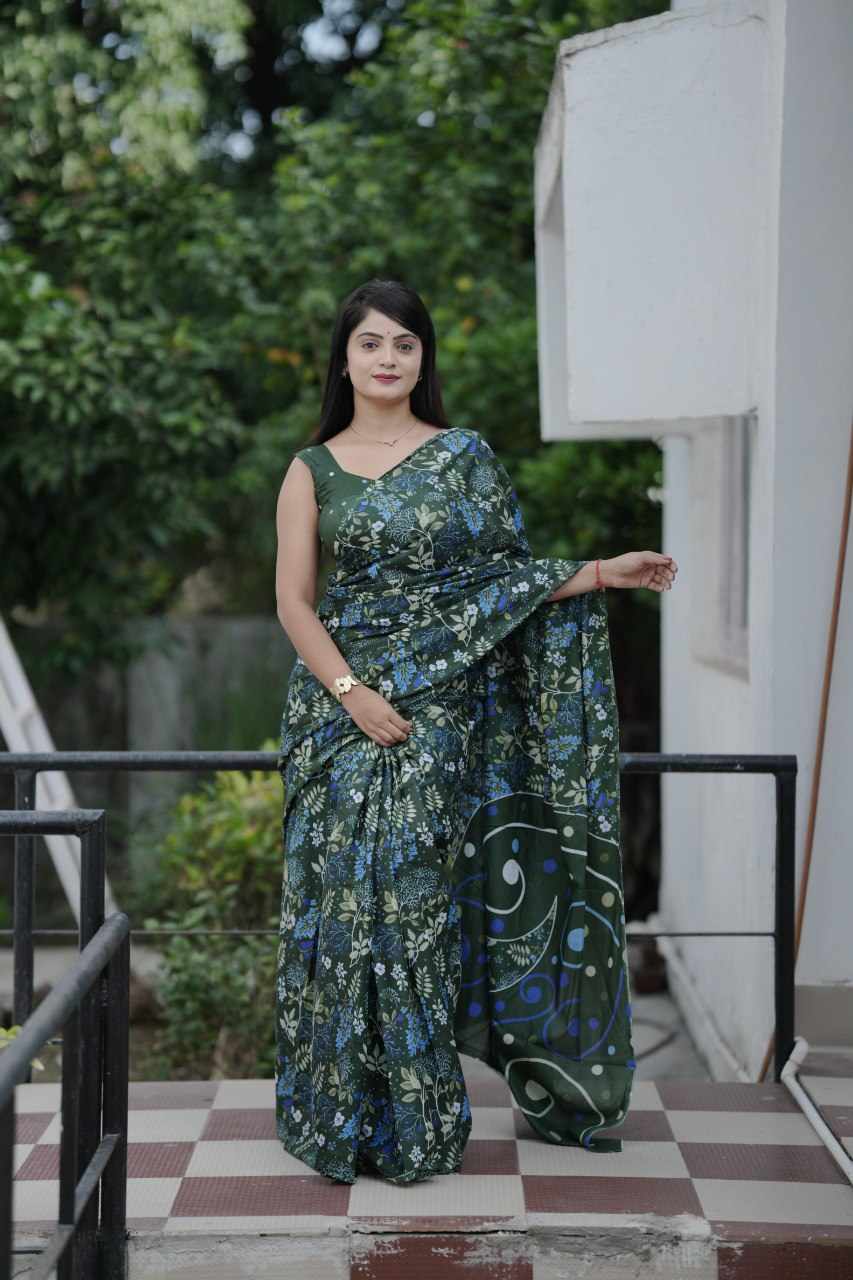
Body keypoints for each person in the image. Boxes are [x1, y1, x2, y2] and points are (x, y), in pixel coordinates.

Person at [273, 278, 678, 1186]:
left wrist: (598, 573)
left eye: (404, 344)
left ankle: (417, 1120)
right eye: (370, 343)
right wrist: (351, 694)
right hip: (337, 714)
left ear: (422, 358)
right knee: (338, 907)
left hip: (434, 711)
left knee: (412, 906)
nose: (387, 358)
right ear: (344, 358)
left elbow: (498, 586)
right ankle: (334, 1113)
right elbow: (293, 602)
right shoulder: (311, 468)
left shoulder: (463, 457)